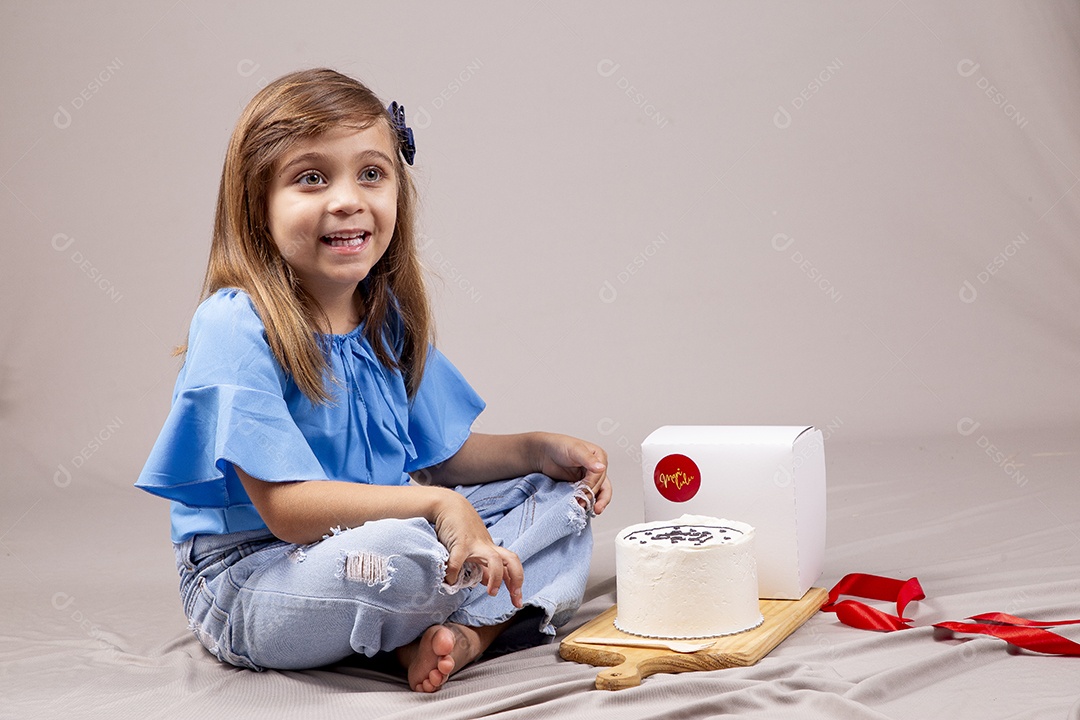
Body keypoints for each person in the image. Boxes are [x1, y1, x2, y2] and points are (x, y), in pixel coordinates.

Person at [135, 68, 612, 693]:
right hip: (256, 575)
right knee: (405, 557)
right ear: (258, 205)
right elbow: (286, 509)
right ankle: (463, 615)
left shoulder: (387, 321)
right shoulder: (234, 323)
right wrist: (442, 509)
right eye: (311, 178)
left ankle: (460, 638)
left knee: (560, 502)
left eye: (371, 173)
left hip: (384, 534)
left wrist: (537, 450)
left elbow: (441, 458)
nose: (347, 199)